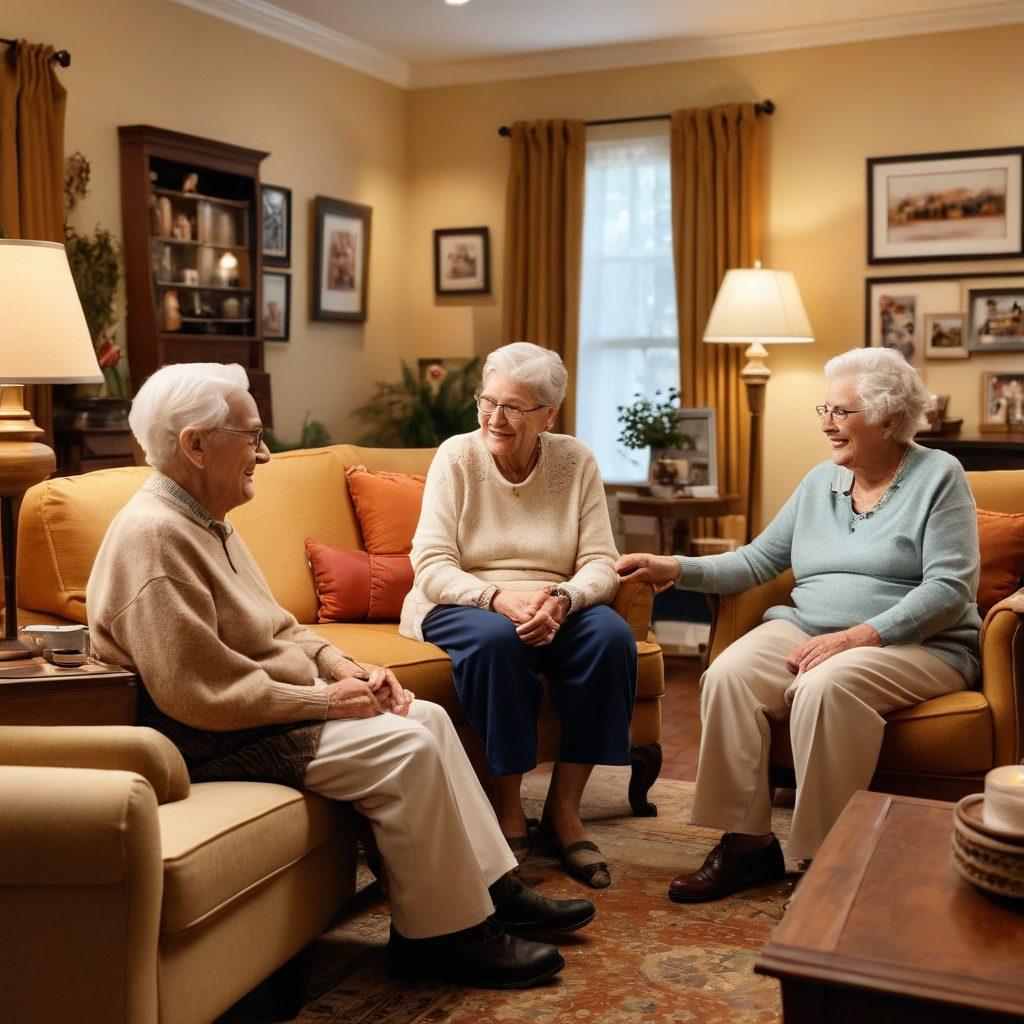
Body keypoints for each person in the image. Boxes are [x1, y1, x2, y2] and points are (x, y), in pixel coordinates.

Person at [87, 362, 595, 990]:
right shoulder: (154, 538)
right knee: (406, 745)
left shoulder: (204, 518)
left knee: (426, 717)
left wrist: (346, 665)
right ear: (195, 445)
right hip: (215, 737)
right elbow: (198, 697)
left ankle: (491, 889)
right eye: (251, 436)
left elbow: (275, 626)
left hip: (254, 713)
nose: (265, 454)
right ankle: (440, 939)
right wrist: (325, 700)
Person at [616, 347, 980, 901]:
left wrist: (857, 636)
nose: (827, 424)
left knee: (823, 688)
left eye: (841, 412)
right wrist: (674, 567)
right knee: (728, 674)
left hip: (919, 642)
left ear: (887, 419)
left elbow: (949, 590)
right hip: (808, 626)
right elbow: (757, 561)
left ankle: (828, 862)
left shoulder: (939, 476)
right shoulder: (819, 483)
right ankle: (747, 845)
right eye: (824, 410)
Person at [402, 342, 638, 889]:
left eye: (514, 407)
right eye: (487, 401)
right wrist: (496, 599)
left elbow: (601, 562)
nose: (494, 417)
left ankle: (564, 811)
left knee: (610, 637)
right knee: (495, 641)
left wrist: (564, 599)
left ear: (548, 415)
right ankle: (507, 808)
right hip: (462, 602)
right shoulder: (456, 456)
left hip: (553, 601)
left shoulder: (575, 460)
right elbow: (430, 565)